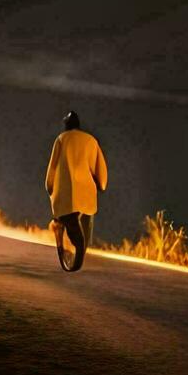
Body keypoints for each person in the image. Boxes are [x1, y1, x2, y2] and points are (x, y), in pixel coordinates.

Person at [45, 111, 108, 272]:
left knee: (68, 221)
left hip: (64, 194)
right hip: (86, 193)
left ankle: (70, 244)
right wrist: (101, 184)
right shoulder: (91, 140)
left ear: (66, 125)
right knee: (85, 224)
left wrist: (50, 187)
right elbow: (100, 171)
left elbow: (52, 168)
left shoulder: (61, 139)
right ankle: (79, 252)